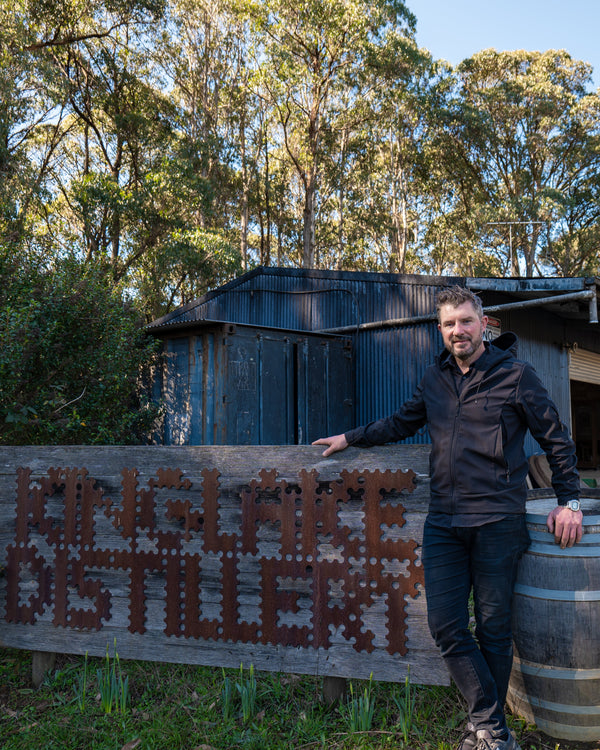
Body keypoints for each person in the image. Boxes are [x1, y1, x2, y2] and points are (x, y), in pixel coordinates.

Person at [312, 285, 583, 750]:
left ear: (484, 324)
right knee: (446, 626)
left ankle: (485, 733)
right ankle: (492, 727)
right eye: (448, 323)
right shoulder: (434, 380)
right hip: (444, 524)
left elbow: (556, 439)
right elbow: (401, 422)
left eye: (465, 320)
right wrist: (350, 437)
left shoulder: (517, 376)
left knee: (494, 629)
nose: (458, 330)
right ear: (440, 331)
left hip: (498, 521)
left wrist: (570, 502)